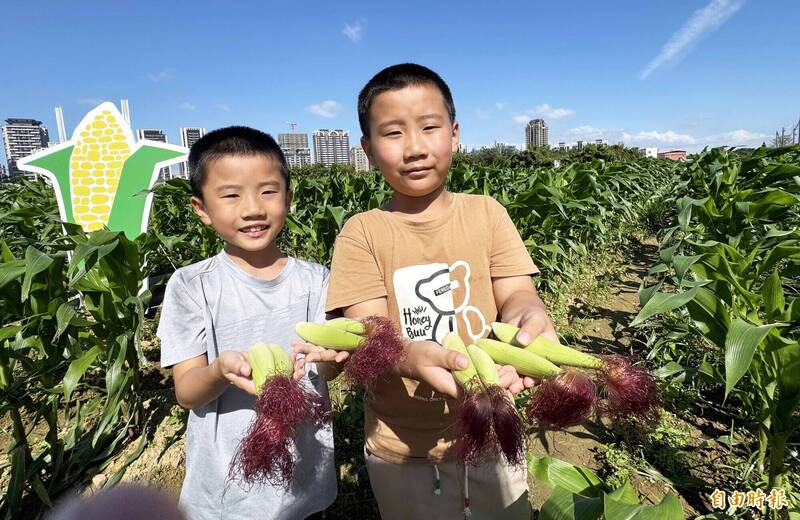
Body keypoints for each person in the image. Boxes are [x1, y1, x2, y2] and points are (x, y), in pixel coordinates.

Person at [299, 63, 560, 519]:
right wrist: (411, 357)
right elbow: (370, 329)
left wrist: (528, 318)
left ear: (454, 135)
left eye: (429, 127)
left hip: (492, 426)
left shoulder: (488, 214)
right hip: (404, 447)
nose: (415, 148)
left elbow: (518, 292)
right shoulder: (362, 233)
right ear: (367, 148)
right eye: (393, 133)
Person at [157, 126, 336, 519]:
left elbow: (326, 369)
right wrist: (220, 370)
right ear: (201, 209)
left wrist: (334, 356)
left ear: (288, 198)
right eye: (231, 195)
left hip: (305, 476)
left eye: (268, 191)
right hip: (226, 491)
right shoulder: (191, 286)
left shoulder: (316, 280)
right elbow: (187, 392)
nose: (253, 208)